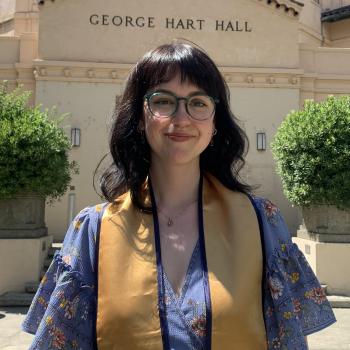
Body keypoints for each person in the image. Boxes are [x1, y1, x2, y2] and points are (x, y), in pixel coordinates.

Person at [22, 43, 336, 350]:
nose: (182, 118)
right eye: (163, 101)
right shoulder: (95, 230)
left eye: (198, 102)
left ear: (215, 122)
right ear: (140, 117)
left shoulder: (261, 223)